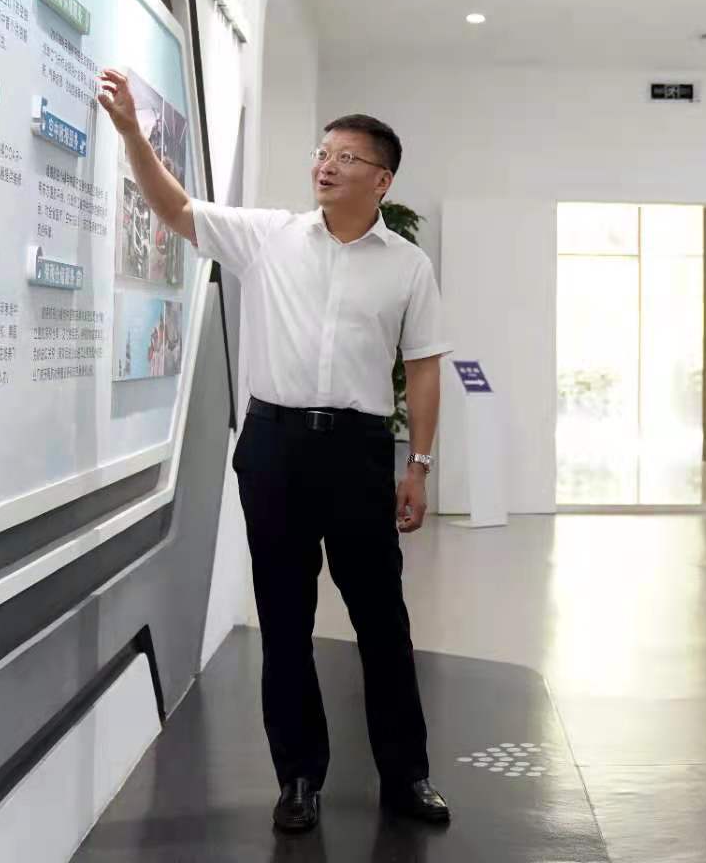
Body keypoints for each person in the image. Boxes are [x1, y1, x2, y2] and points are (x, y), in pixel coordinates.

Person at [97, 70, 453, 835]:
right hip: (275, 447)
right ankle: (298, 778)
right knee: (285, 621)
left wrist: (419, 465)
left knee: (382, 621)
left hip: (359, 453)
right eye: (323, 152)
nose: (327, 165)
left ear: (382, 179)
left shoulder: (407, 266)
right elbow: (176, 208)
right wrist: (131, 134)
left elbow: (423, 367)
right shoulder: (268, 236)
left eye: (347, 157)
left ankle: (407, 776)